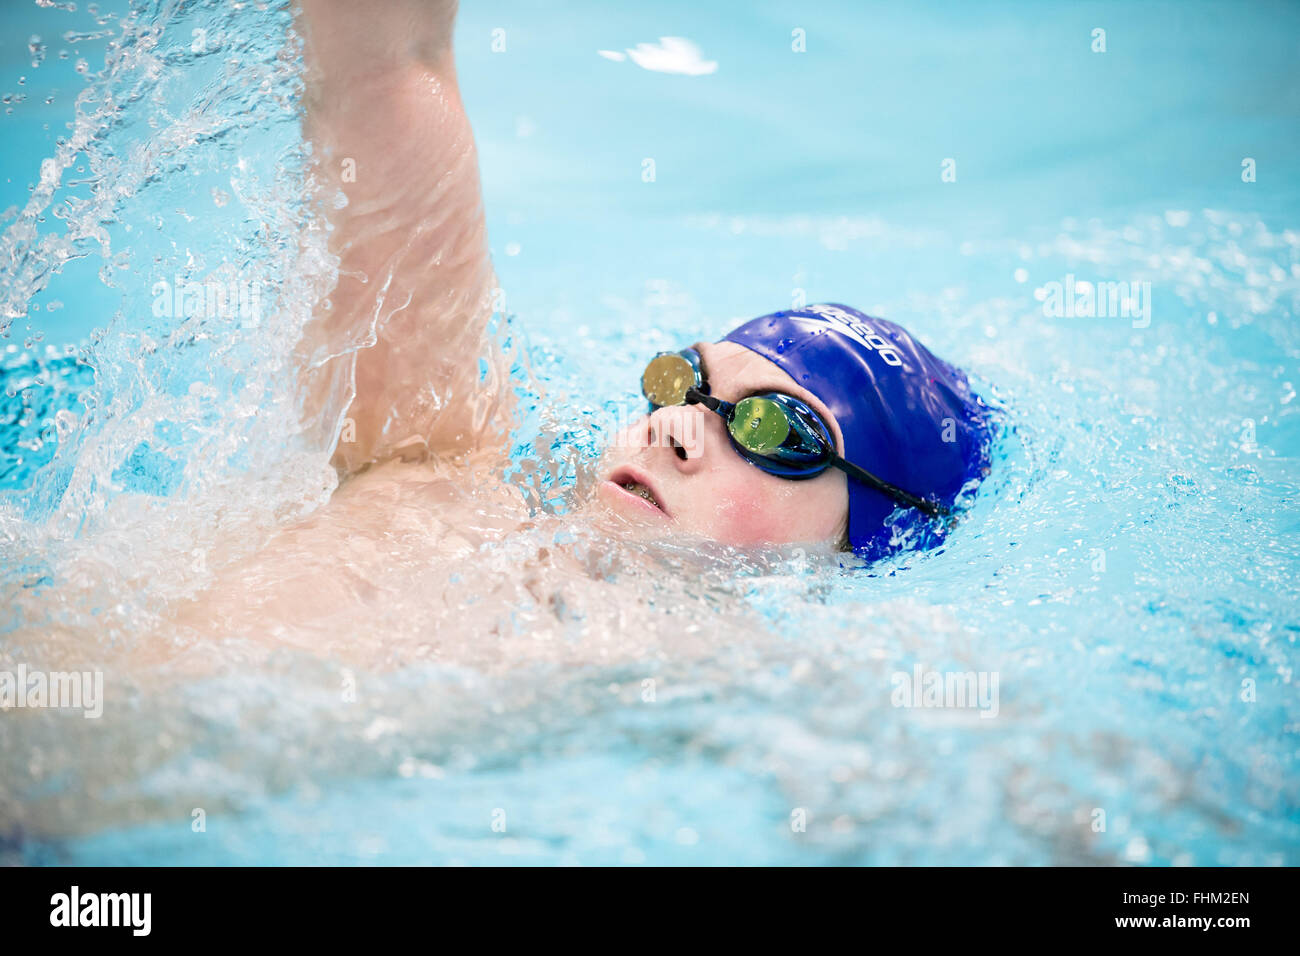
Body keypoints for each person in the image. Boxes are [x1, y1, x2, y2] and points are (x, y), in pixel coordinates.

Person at [156, 0, 990, 665]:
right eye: (683, 385)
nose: (675, 427)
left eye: (775, 430)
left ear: (868, 546)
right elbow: (384, 65)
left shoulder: (743, 674)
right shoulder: (424, 458)